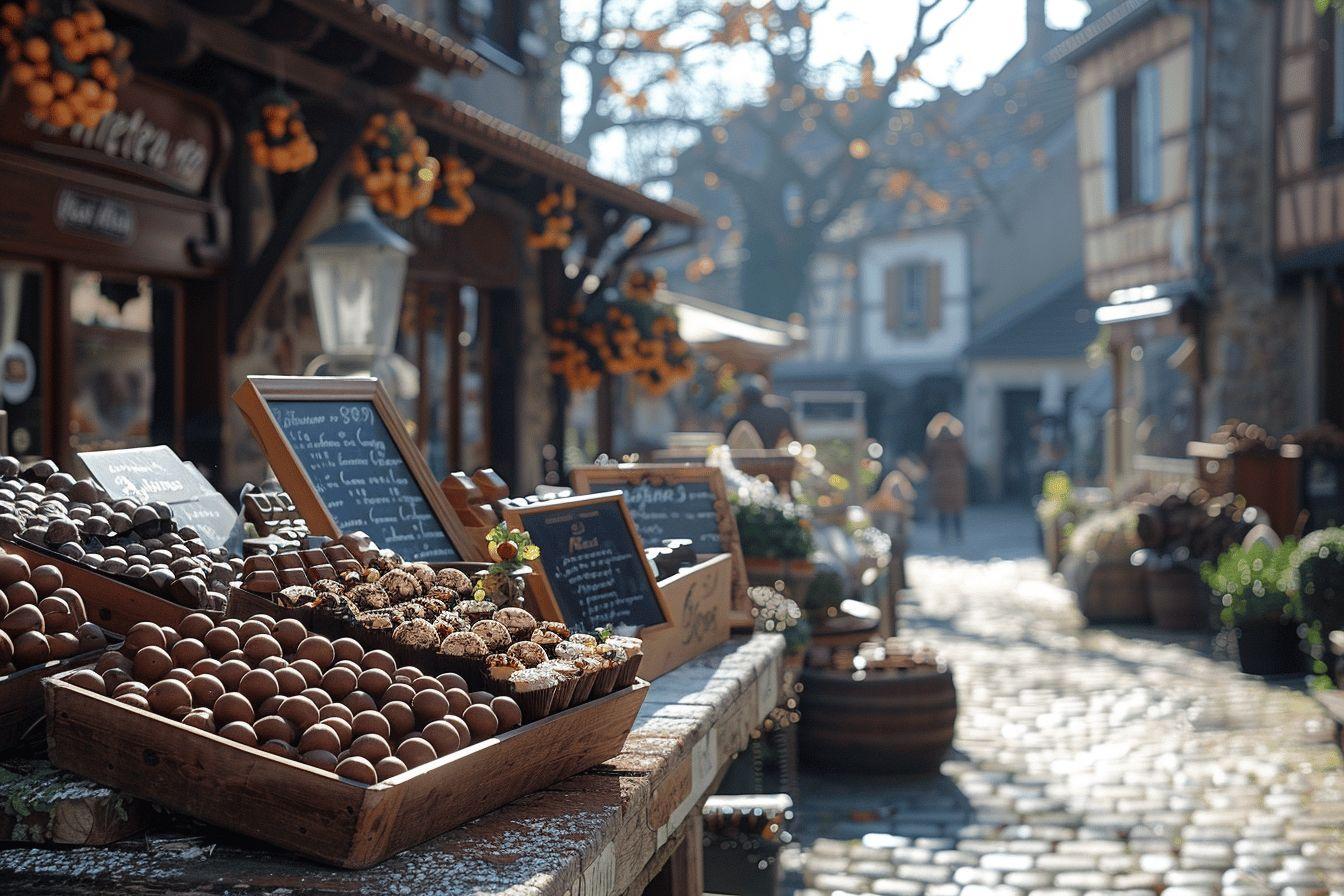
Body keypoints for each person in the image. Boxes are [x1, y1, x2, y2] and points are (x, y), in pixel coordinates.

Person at [925, 412, 968, 544]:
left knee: (942, 509)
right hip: (956, 478)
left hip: (940, 478)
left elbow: (928, 459)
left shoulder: (936, 444)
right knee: (957, 509)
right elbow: (965, 458)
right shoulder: (957, 443)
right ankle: (958, 535)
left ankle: (944, 535)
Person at [723, 375, 796, 448]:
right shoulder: (779, 413)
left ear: (744, 400)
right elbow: (794, 438)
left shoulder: (740, 418)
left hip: (748, 458)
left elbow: (727, 442)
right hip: (773, 457)